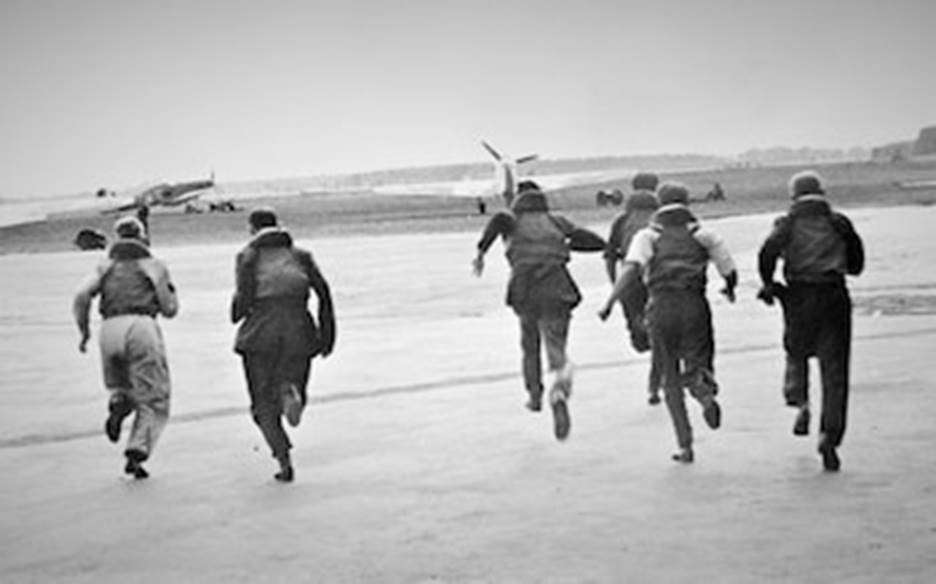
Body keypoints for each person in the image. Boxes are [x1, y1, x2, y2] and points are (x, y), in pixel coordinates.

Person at [598, 182, 738, 463]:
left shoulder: (647, 236)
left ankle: (685, 445)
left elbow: (631, 269)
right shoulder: (703, 234)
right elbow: (728, 267)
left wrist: (611, 301)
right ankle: (702, 389)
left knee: (669, 377)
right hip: (695, 305)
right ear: (687, 203)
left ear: (659, 205)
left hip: (661, 307)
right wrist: (730, 287)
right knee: (698, 361)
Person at [472, 180, 605, 441]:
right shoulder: (556, 222)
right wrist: (610, 247)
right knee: (556, 347)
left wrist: (481, 251)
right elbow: (584, 238)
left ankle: (534, 394)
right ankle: (558, 391)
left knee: (529, 343)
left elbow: (498, 219)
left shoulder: (510, 219)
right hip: (557, 287)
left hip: (525, 290)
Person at [756, 170, 864, 471]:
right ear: (822, 192)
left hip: (799, 297)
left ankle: (800, 402)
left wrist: (768, 283)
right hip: (834, 297)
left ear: (793, 196)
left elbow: (767, 253)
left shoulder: (786, 224)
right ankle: (829, 436)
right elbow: (856, 265)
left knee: (796, 351)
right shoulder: (839, 223)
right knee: (835, 374)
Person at [231, 207, 336, 482]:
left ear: (252, 229)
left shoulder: (248, 256)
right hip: (299, 328)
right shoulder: (300, 255)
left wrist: (236, 313)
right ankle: (290, 390)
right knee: (292, 378)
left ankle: (283, 461)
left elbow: (244, 297)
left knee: (262, 404)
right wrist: (327, 334)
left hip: (261, 333)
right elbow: (323, 292)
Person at [73, 216, 178, 479]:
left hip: (109, 329)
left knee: (123, 387)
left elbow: (81, 295)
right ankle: (137, 450)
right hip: (141, 327)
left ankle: (119, 403)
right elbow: (169, 310)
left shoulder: (104, 266)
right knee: (153, 398)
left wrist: (84, 332)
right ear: (141, 236)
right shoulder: (152, 264)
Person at [603, 172, 663, 405]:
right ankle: (659, 379)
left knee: (643, 341)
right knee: (659, 337)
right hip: (659, 282)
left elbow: (609, 257)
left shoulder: (622, 220)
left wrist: (615, 288)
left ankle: (655, 384)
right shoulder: (663, 217)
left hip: (630, 284)